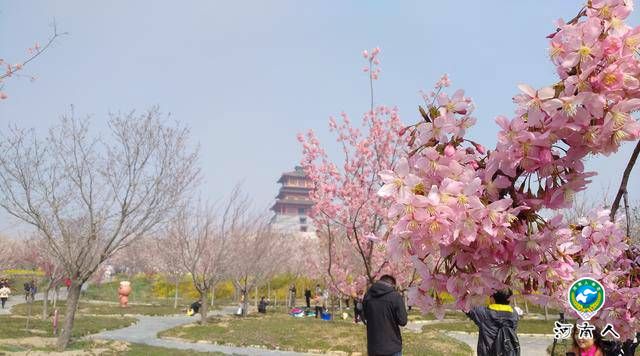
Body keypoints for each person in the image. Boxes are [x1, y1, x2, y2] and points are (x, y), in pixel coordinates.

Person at [362, 275, 407, 356]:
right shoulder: (395, 296)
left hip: (374, 347)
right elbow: (403, 321)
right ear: (393, 284)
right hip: (392, 347)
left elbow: (365, 317)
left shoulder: (367, 296)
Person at [466, 289, 520, 356]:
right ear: (509, 299)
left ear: (492, 299)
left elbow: (465, 307)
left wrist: (467, 292)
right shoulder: (514, 315)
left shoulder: (484, 313)